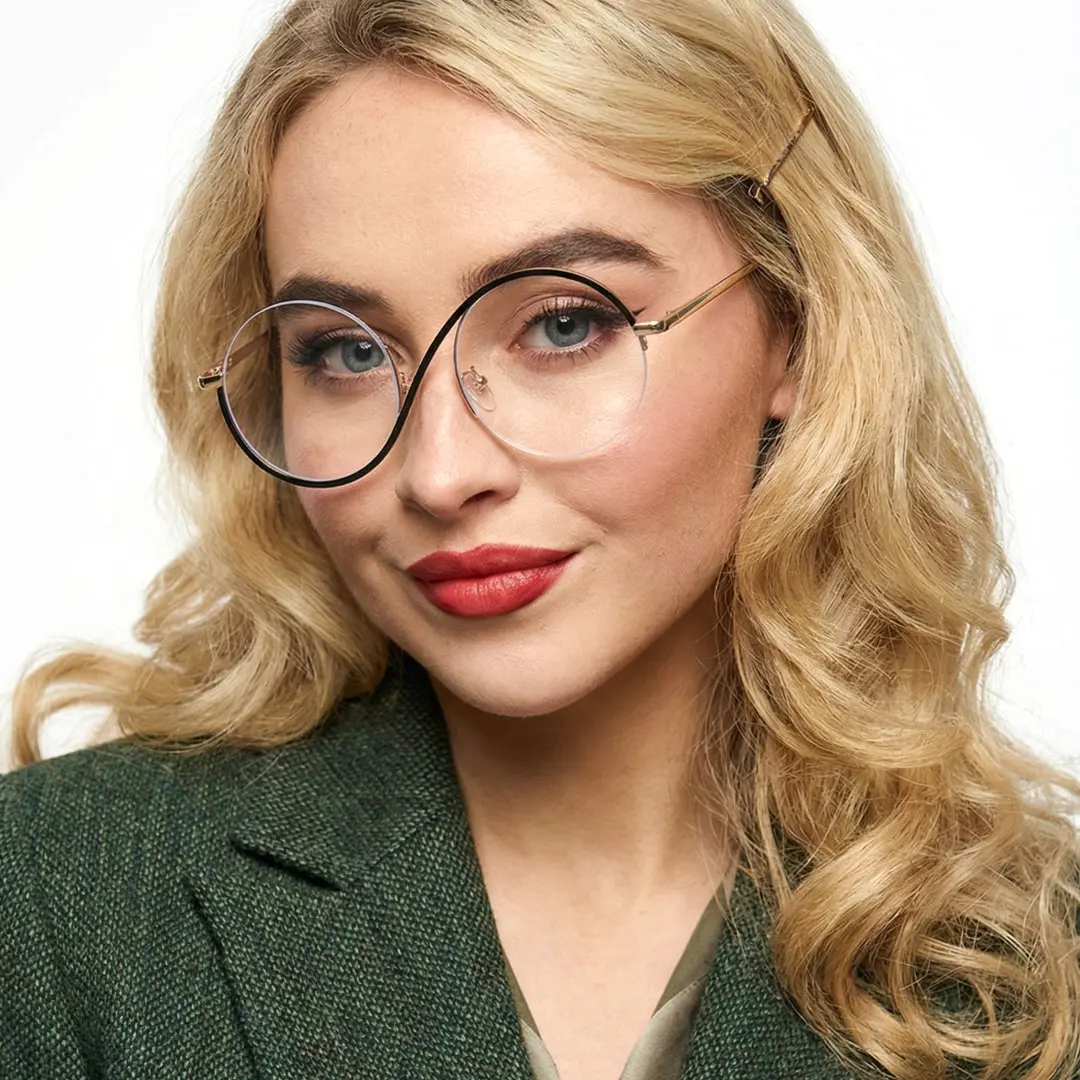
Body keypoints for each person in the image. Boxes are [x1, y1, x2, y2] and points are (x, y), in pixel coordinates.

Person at [2, 0, 1079, 1077]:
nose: (439, 471)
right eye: (342, 352)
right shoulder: (58, 897)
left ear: (796, 324)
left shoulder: (1043, 954)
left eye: (565, 325)